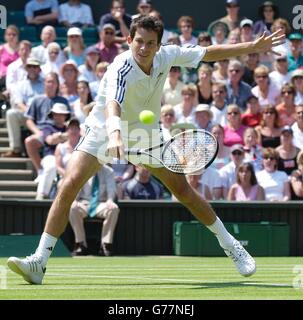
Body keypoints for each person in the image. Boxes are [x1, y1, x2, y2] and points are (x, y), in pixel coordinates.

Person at [7, 15, 284, 284]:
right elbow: (114, 102)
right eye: (138, 41)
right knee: (68, 184)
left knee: (184, 191)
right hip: (104, 130)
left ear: (159, 46)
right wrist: (115, 134)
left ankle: (231, 245)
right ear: (128, 40)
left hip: (146, 136)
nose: (143, 47)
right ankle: (39, 262)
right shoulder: (121, 66)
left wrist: (251, 47)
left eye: (150, 43)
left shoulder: (167, 55)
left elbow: (208, 52)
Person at [69, 164, 119, 256]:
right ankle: (81, 244)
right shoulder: (82, 169)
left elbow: (111, 188)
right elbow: (76, 188)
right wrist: (74, 200)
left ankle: (105, 245)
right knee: (72, 208)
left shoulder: (109, 171)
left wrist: (110, 200)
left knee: (114, 209)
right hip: (84, 203)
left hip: (101, 203)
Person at [1, 58, 45, 158]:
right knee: (11, 113)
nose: (32, 69)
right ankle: (16, 149)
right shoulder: (20, 85)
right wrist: (30, 112)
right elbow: (19, 103)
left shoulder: (45, 83)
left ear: (39, 69)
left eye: (35, 66)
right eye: (29, 66)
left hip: (43, 114)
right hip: (27, 113)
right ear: (26, 69)